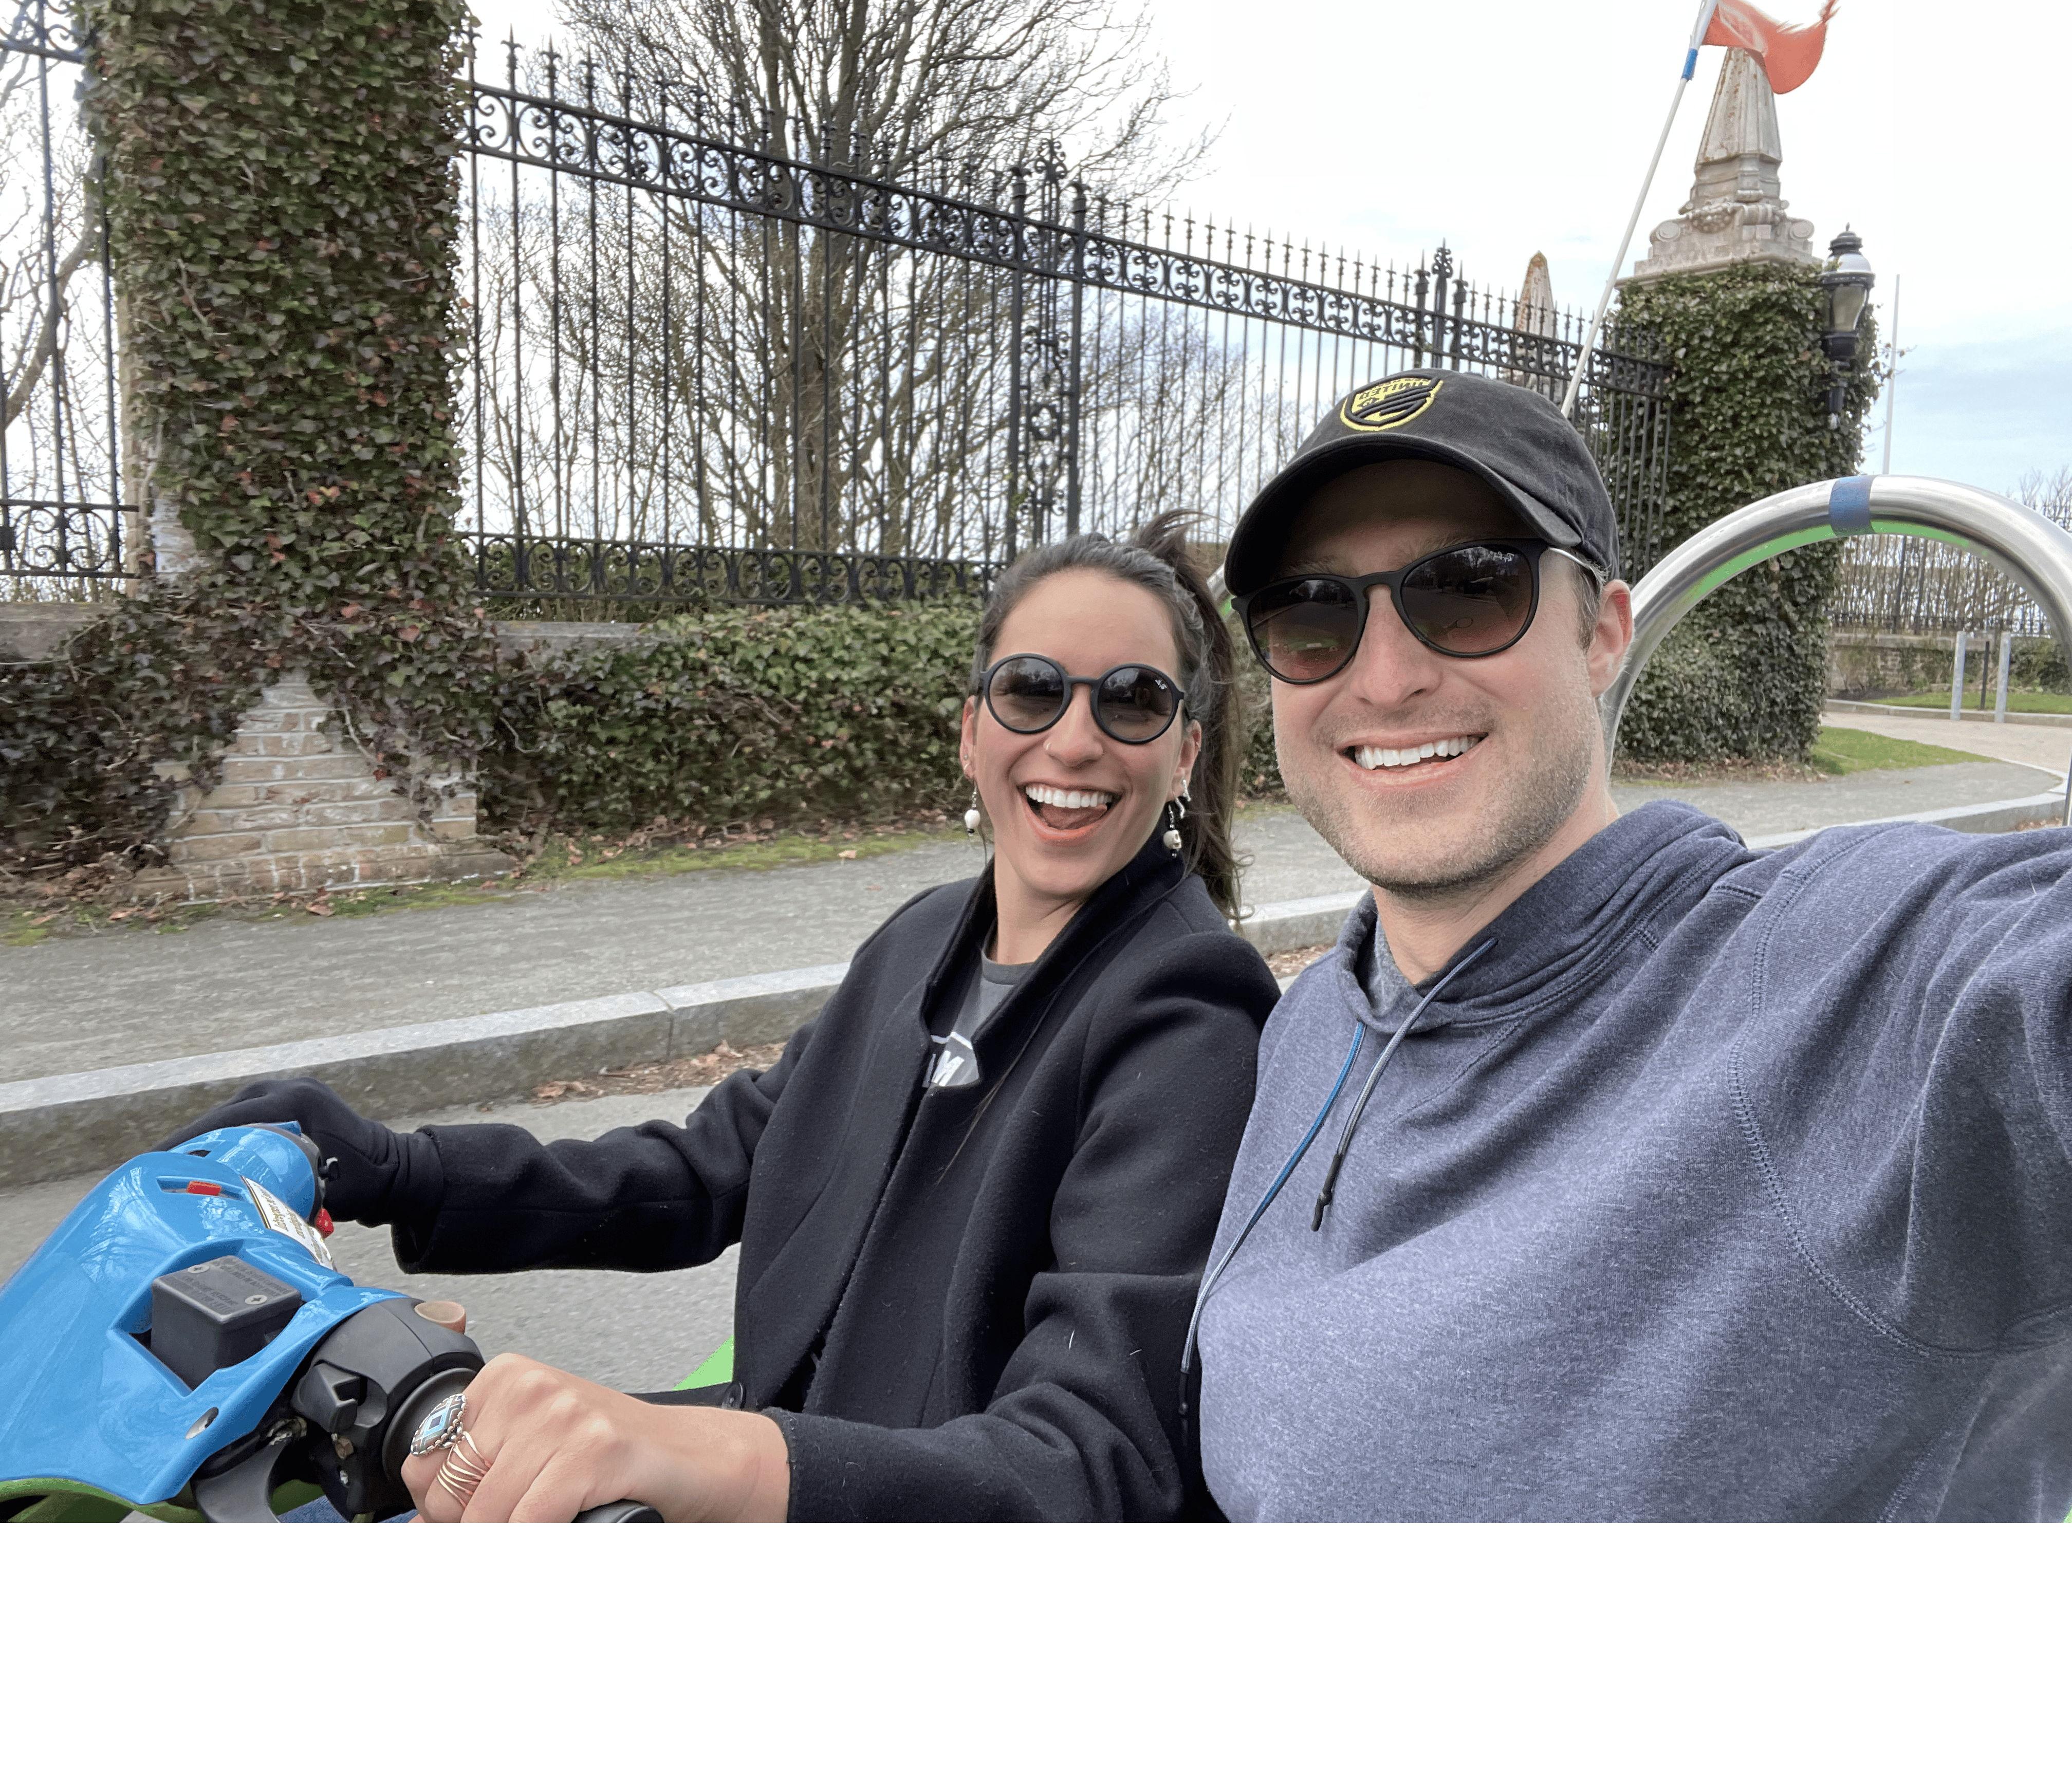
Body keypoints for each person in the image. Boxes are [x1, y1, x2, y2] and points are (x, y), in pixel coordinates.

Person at [166, 515, 1277, 1522]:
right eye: (1033, 691)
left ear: (1183, 750)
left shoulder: (1189, 1017)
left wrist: (705, 1456)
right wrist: (399, 1170)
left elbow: (1086, 1458)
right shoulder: (925, 939)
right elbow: (707, 1170)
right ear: (971, 733)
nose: (1075, 742)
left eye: (1133, 700)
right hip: (776, 1447)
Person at [1191, 367, 2072, 1522]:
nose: (1388, 677)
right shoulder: (1315, 1020)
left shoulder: (1835, 988)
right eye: (1313, 614)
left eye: (1469, 589)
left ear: (1604, 634)